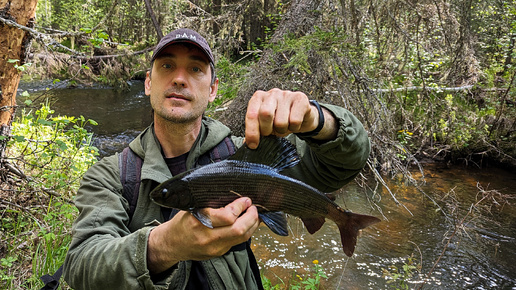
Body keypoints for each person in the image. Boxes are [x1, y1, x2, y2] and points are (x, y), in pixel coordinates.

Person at [63, 28, 370, 289]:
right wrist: (164, 245)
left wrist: (318, 120)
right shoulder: (110, 176)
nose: (180, 79)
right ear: (147, 83)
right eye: (167, 66)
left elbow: (342, 164)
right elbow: (80, 266)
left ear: (212, 90)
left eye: (195, 68)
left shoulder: (246, 155)